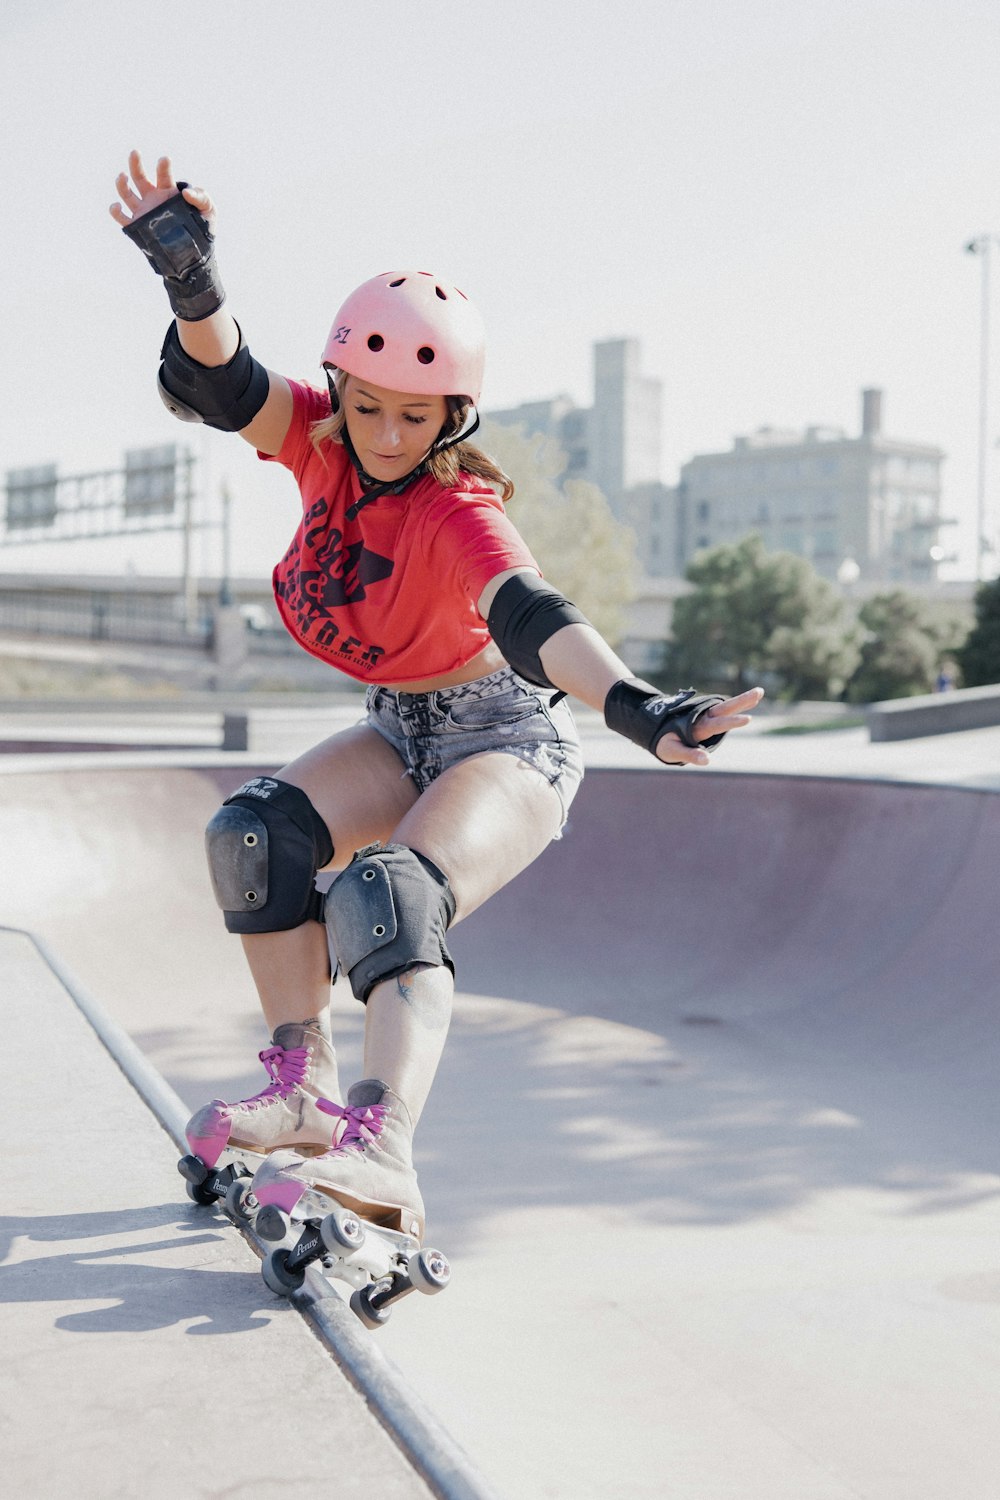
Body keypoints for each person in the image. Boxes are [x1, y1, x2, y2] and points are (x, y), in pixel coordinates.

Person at [111, 150, 764, 1243]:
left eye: (420, 418)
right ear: (347, 394)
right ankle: (302, 1093)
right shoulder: (317, 441)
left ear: (451, 416)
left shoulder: (458, 511)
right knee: (256, 836)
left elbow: (535, 619)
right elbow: (226, 383)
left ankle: (386, 1151)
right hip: (398, 727)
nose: (390, 436)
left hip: (507, 737)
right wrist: (191, 277)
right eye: (373, 410)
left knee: (388, 893)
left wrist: (641, 707)